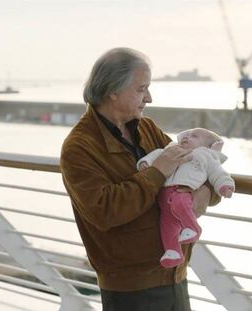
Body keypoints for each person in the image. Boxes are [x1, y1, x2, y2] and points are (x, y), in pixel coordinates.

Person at [60, 47, 220, 311]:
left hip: (174, 272)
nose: (149, 98)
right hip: (130, 286)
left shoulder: (146, 128)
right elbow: (104, 210)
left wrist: (205, 194)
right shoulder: (79, 147)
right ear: (113, 91)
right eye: (141, 89)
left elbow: (195, 167)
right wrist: (157, 172)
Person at [137, 127, 235, 268]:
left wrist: (224, 186)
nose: (187, 137)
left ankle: (193, 228)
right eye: (186, 135)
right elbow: (156, 155)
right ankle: (173, 251)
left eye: (194, 136)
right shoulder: (171, 150)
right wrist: (146, 163)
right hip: (164, 197)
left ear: (207, 147)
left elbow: (218, 173)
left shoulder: (205, 156)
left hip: (182, 191)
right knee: (167, 225)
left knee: (180, 203)